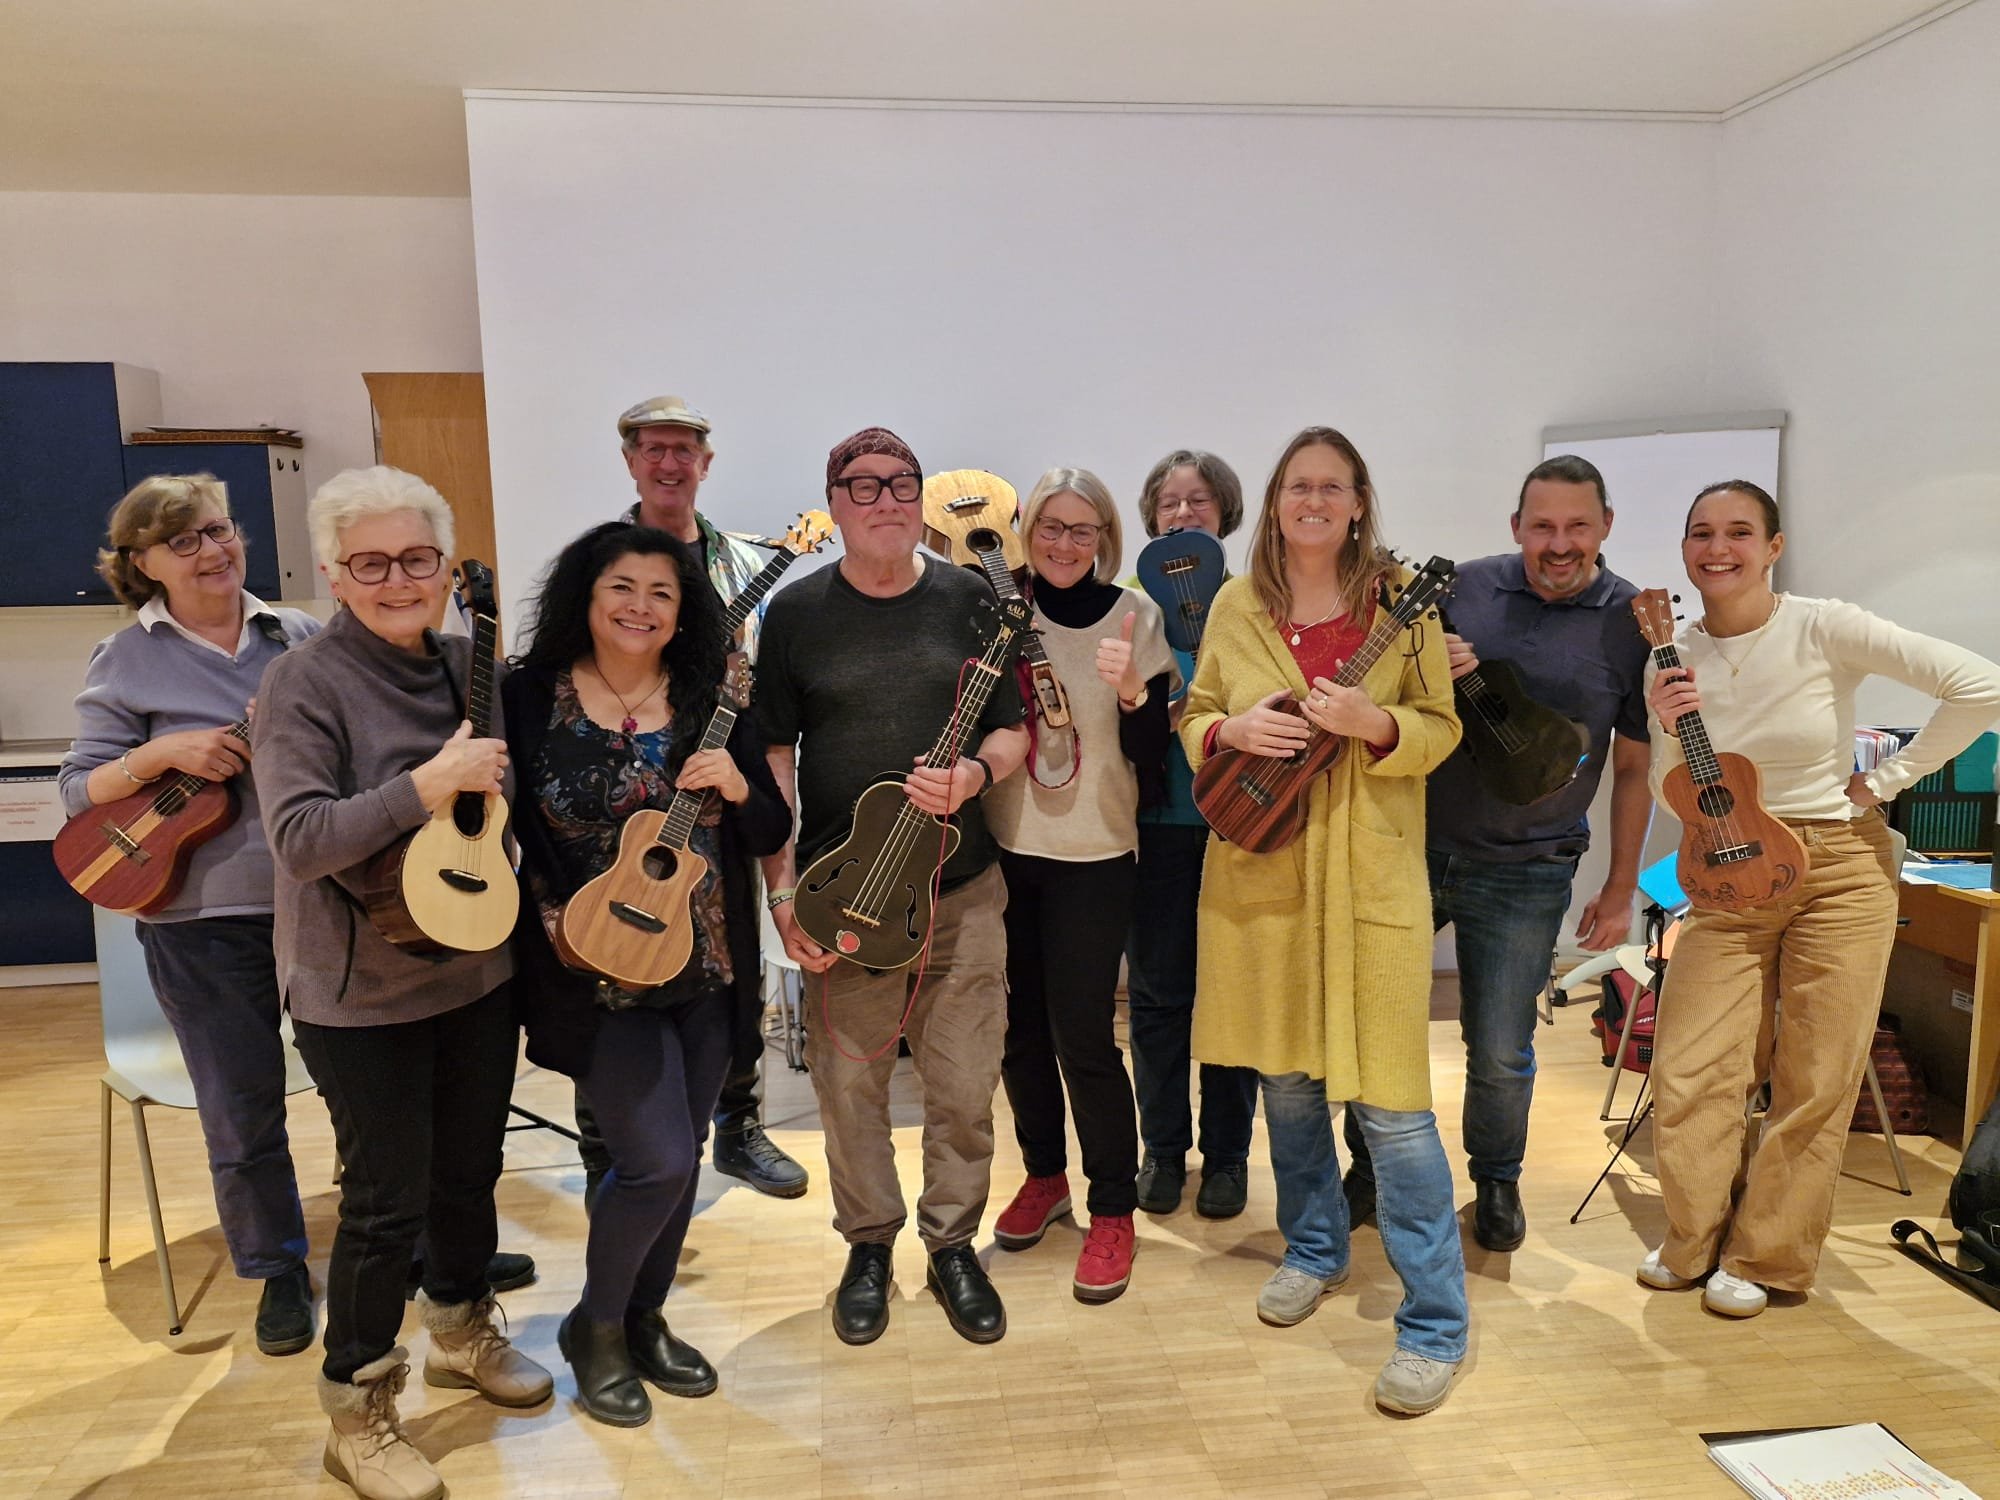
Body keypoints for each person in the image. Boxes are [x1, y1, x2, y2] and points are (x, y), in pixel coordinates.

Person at [257, 467, 551, 1500]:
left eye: (416, 559)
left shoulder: (468, 664)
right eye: (370, 563)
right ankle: (358, 1407)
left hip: (475, 971)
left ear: (444, 566)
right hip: (360, 994)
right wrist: (425, 786)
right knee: (383, 1205)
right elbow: (297, 840)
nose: (397, 580)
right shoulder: (302, 684)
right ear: (334, 575)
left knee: (468, 1174)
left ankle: (462, 1332)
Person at [1640, 480, 2000, 1318]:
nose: (1717, 548)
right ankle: (1694, 1237)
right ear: (1685, 551)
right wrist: (1664, 720)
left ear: (1773, 547)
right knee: (1692, 1067)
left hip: (1839, 863)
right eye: (1701, 533)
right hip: (1730, 871)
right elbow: (1674, 794)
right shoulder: (1673, 649)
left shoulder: (1824, 624)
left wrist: (1883, 784)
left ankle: (1768, 1256)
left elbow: (1980, 685)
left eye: (1739, 532)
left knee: (1817, 1073)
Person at [1181, 426, 1468, 1416]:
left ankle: (1433, 1319)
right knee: (1288, 1089)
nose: (1311, 500)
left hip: (1370, 884)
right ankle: (1312, 1249)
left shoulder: (1400, 603)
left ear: (1356, 503)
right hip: (1260, 877)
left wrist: (1376, 724)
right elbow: (1194, 709)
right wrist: (1227, 729)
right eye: (1295, 486)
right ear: (1273, 503)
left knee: (1392, 1111)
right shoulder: (1233, 601)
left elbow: (1441, 724)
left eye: (1330, 487)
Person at [505, 522, 791, 1425]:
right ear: (586, 600)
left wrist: (743, 790)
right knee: (656, 1161)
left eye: (661, 593)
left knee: (688, 1152)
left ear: (683, 612)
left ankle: (644, 1317)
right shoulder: (525, 698)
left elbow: (770, 830)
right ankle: (595, 1326)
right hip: (586, 963)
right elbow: (487, 821)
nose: (640, 606)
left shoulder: (711, 700)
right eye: (621, 588)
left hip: (704, 966)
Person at [758, 426, 1029, 1346]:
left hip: (962, 892)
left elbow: (1012, 732)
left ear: (922, 499)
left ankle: (952, 1245)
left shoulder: (970, 600)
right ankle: (868, 1245)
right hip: (847, 899)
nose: (884, 500)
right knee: (851, 1085)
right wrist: (782, 883)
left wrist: (976, 780)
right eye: (861, 486)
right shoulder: (795, 616)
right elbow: (773, 755)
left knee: (961, 1085)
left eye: (900, 483)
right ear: (832, 506)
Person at [1343, 454, 1652, 1252]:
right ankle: (1370, 1171)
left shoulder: (1632, 624)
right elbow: (1374, 696)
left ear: (1606, 527)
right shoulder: (1461, 591)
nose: (1559, 543)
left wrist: (1621, 888)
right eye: (1542, 526)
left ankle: (1496, 1180)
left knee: (1502, 1049)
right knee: (1379, 1022)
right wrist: (1423, 672)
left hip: (1531, 865)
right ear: (1516, 527)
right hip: (1413, 847)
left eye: (1578, 525)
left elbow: (1632, 768)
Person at [58, 473, 320, 1357]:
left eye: (220, 530)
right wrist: (159, 756)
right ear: (142, 564)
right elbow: (77, 790)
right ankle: (276, 1269)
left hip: (321, 907)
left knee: (371, 1090)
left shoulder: (303, 638)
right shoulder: (125, 658)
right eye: (186, 542)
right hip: (199, 924)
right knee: (242, 1111)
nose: (215, 551)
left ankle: (400, 1240)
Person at [569, 393, 808, 1202]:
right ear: (631, 460)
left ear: (706, 463)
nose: (669, 464)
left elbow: (766, 669)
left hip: (722, 769)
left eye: (685, 451)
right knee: (602, 958)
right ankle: (609, 1144)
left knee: (730, 951)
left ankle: (738, 1125)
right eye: (654, 449)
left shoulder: (744, 560)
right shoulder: (605, 555)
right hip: (620, 782)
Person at [984, 468, 1173, 1302]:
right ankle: (1044, 1174)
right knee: (1017, 1033)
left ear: (1105, 539)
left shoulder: (1138, 616)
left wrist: (1131, 687)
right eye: (1051, 528)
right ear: (1028, 529)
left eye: (1082, 530)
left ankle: (1113, 1207)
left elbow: (1147, 753)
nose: (1064, 545)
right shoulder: (995, 609)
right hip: (1003, 849)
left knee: (1083, 1038)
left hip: (1095, 855)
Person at [1124, 449, 1261, 1219]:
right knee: (1158, 997)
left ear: (1225, 513)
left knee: (1234, 997)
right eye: (1170, 503)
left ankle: (1231, 1157)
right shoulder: (1127, 606)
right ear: (1151, 517)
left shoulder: (1253, 602)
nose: (1183, 514)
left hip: (1241, 826)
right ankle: (1164, 1151)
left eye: (1199, 501)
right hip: (1154, 828)